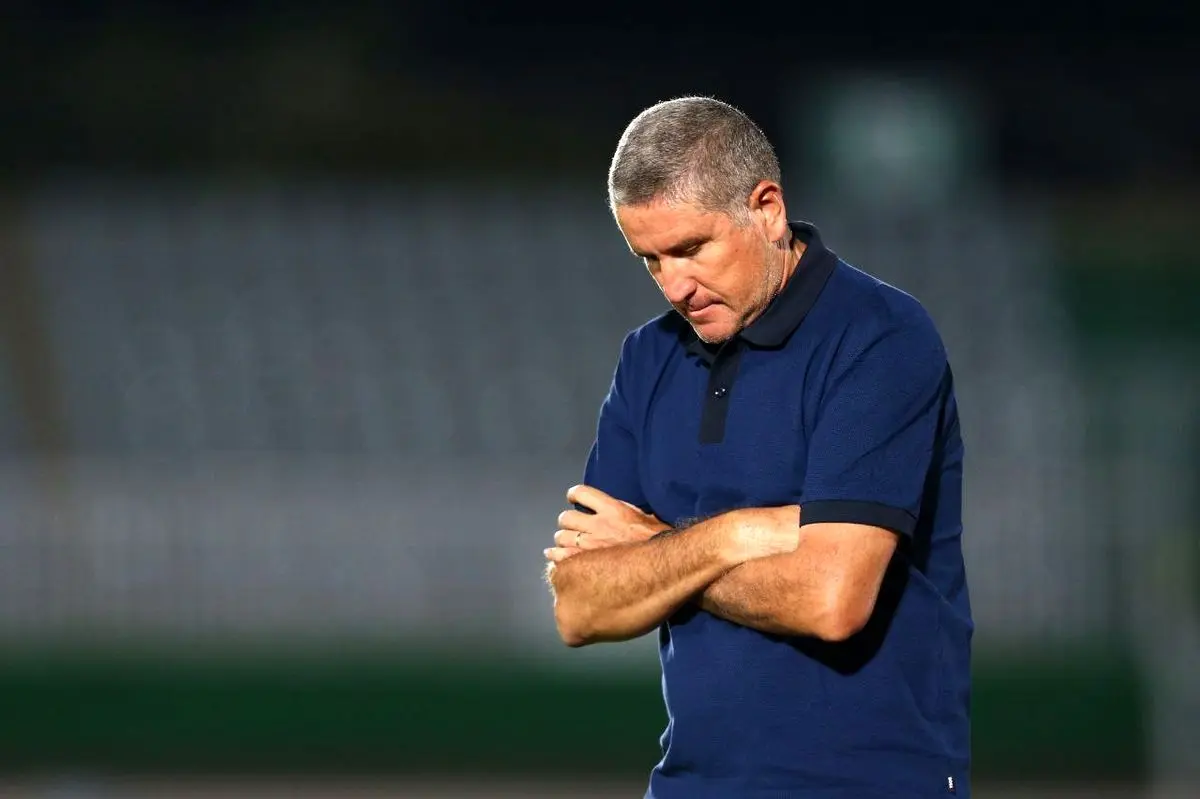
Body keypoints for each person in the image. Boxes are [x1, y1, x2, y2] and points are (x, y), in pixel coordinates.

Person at [543, 96, 972, 799]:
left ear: (767, 209)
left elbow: (831, 599)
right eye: (650, 260)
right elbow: (579, 606)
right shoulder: (649, 358)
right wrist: (735, 534)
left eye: (690, 248)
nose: (674, 285)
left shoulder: (879, 336)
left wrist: (656, 551)